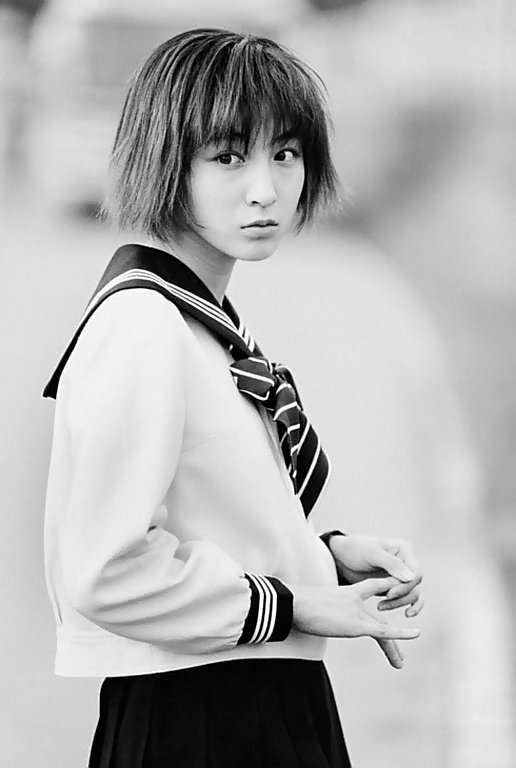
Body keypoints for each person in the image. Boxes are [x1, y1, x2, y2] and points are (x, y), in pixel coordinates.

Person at [43, 28, 423, 768]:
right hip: (198, 717)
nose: (265, 189)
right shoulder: (143, 325)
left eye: (285, 153)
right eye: (227, 157)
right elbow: (106, 569)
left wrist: (324, 559)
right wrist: (298, 604)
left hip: (258, 698)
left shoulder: (203, 321)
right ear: (166, 160)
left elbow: (204, 519)